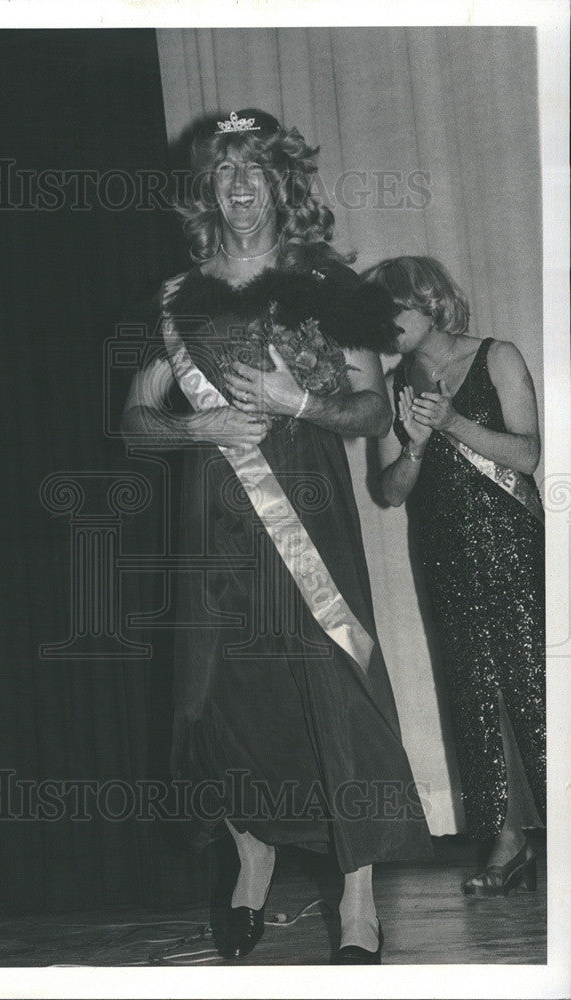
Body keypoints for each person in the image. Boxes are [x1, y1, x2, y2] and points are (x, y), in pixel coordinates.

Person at [122, 109, 431, 964]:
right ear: (208, 190)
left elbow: (371, 409)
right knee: (219, 699)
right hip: (210, 528)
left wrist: (302, 404)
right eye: (225, 172)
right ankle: (252, 857)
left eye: (256, 169)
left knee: (337, 692)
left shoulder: (330, 285)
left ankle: (358, 900)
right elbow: (136, 421)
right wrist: (196, 433)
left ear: (283, 182)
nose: (242, 187)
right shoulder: (179, 299)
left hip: (309, 523)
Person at [362, 255, 545, 896]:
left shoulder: (496, 357)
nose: (384, 327)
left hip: (513, 543)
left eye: (393, 312)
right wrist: (413, 445)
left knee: (535, 687)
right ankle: (504, 840)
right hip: (440, 549)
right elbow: (390, 491)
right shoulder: (396, 386)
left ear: (430, 301)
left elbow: (527, 454)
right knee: (469, 694)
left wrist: (452, 423)